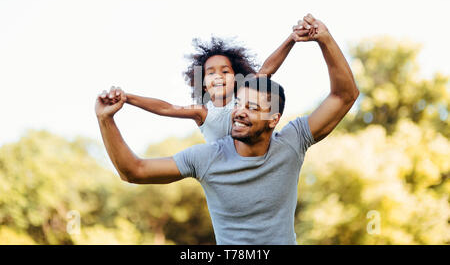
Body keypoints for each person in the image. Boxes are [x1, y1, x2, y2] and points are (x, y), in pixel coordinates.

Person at [96, 14, 360, 244]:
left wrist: (323, 38)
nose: (241, 111)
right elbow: (134, 171)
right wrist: (107, 119)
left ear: (273, 119)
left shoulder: (292, 141)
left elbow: (344, 95)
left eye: (253, 108)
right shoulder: (207, 156)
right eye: (240, 104)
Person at [106, 30, 309, 143]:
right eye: (210, 72)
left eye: (225, 71)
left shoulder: (244, 97)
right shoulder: (203, 112)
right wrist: (127, 97)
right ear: (202, 84)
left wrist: (292, 39)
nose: (218, 76)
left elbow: (267, 69)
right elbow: (166, 108)